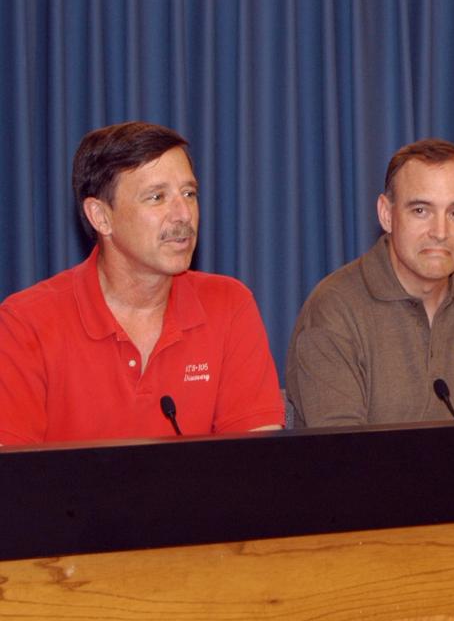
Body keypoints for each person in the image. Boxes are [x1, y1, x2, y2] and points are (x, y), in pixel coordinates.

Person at [0, 121, 284, 446]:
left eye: (189, 194)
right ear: (101, 217)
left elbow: (256, 470)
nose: (183, 214)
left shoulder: (229, 305)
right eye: (156, 197)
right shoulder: (27, 323)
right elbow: (13, 482)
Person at [286, 138, 454, 426]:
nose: (439, 231)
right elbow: (342, 457)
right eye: (421, 211)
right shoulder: (334, 309)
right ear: (387, 214)